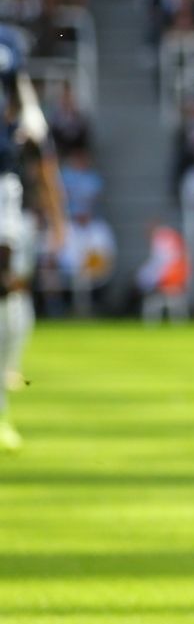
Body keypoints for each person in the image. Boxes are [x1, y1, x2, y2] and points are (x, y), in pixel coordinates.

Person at [0, 23, 67, 451]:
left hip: (4, 187)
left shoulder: (8, 43)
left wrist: (58, 219)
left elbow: (34, 131)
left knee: (12, 289)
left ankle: (3, 400)